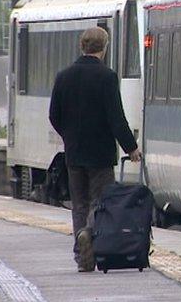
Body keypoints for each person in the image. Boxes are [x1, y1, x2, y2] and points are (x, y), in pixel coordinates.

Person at [49, 27, 141, 272]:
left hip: (74, 153)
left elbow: (54, 116)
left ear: (82, 46)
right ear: (105, 47)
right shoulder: (107, 77)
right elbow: (116, 119)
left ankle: (82, 256)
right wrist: (131, 148)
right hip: (100, 154)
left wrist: (69, 136)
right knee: (100, 202)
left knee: (79, 203)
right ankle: (89, 233)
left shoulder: (63, 76)